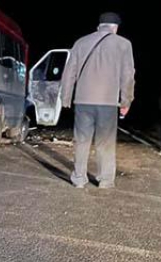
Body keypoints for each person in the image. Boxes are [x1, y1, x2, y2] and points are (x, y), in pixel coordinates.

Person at [60, 12, 136, 189]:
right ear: (115, 28)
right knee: (105, 142)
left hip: (83, 101)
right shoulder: (124, 44)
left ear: (99, 25)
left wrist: (66, 97)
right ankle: (105, 180)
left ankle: (79, 178)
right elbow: (128, 75)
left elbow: (69, 72)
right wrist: (126, 101)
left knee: (82, 140)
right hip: (107, 102)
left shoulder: (81, 42)